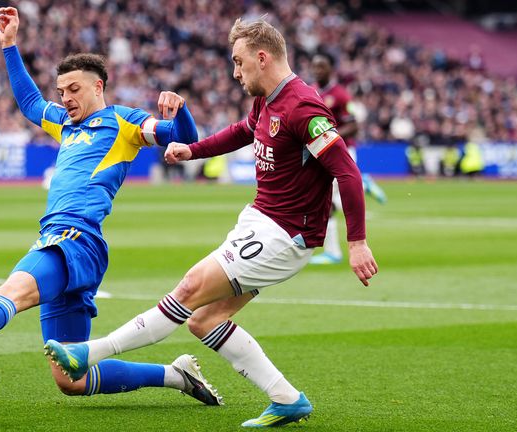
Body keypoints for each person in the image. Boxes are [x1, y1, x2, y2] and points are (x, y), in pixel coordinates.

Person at [45, 17, 378, 428]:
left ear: (262, 57)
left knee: (189, 289)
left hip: (285, 235)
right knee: (205, 320)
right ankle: (287, 399)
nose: (235, 73)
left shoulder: (303, 107)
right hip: (260, 220)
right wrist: (193, 151)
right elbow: (243, 131)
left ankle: (89, 353)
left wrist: (357, 241)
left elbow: (347, 171)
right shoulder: (268, 99)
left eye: (239, 63)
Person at [0, 6, 222, 406]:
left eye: (74, 90)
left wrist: (181, 110)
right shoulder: (65, 123)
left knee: (14, 290)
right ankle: (175, 375)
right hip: (71, 244)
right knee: (71, 378)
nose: (65, 98)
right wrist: (10, 45)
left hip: (74, 237)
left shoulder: (125, 122)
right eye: (62, 91)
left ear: (99, 86)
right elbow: (31, 103)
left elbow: (184, 139)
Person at [309, 52, 386, 265]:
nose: (317, 70)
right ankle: (363, 184)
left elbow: (353, 126)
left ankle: (333, 252)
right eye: (315, 66)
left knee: (326, 201)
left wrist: (329, 137)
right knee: (332, 200)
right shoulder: (310, 91)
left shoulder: (341, 95)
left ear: (331, 69)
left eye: (321, 66)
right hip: (321, 152)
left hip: (340, 151)